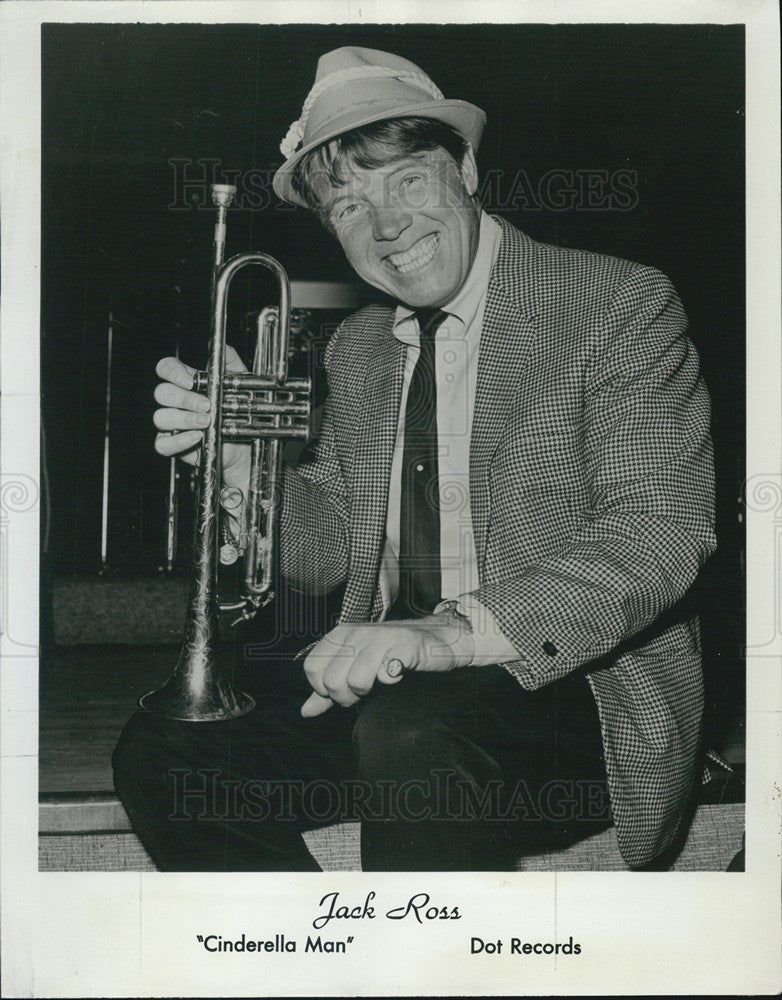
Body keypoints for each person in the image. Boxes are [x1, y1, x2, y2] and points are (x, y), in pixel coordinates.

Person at [113, 46, 716, 872]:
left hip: (568, 685)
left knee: (415, 732)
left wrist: (447, 633)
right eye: (350, 205)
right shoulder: (359, 345)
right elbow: (328, 558)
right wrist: (248, 467)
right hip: (393, 688)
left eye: (406, 179)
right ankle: (311, 959)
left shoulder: (616, 303)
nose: (387, 225)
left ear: (465, 169)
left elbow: (661, 533)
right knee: (167, 749)